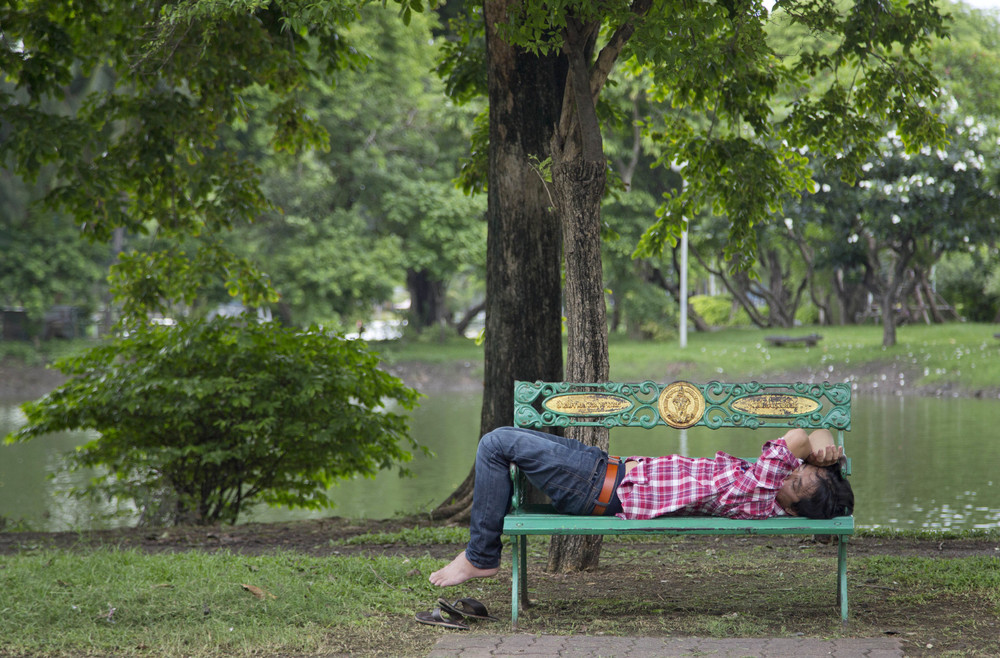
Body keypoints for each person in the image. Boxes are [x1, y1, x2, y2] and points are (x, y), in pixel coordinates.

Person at [429, 425, 853, 588]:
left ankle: (481, 556)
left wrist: (815, 452)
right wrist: (823, 451)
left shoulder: (762, 488)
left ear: (793, 510)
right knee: (507, 440)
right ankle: (480, 553)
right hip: (602, 470)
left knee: (496, 443)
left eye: (796, 480)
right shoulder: (775, 487)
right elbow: (814, 434)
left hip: (596, 487)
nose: (790, 473)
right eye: (798, 470)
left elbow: (800, 435)